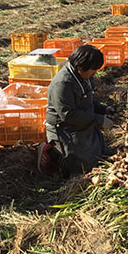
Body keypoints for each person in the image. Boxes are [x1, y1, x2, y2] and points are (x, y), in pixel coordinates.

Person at [38, 45, 115, 177]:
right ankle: (51, 152)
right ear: (80, 67)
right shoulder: (63, 84)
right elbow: (68, 115)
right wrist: (98, 120)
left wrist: (104, 109)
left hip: (82, 121)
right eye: (93, 70)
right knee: (85, 169)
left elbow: (88, 100)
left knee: (101, 155)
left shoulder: (85, 77)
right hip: (65, 128)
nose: (95, 73)